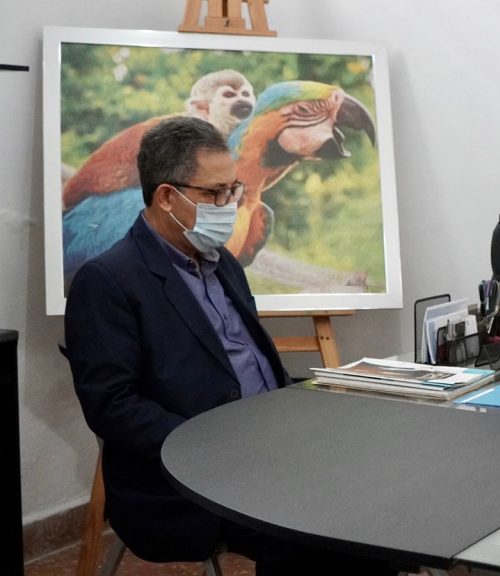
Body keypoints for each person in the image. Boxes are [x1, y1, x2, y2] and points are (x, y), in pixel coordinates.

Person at [65, 117, 394, 574]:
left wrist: (325, 393)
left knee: (382, 494)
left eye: (233, 189)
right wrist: (217, 445)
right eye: (215, 194)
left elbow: (251, 368)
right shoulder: (107, 281)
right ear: (166, 197)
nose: (230, 205)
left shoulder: (223, 266)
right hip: (187, 476)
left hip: (270, 445)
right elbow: (111, 406)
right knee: (321, 531)